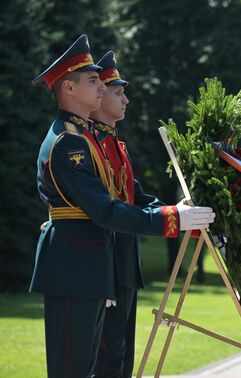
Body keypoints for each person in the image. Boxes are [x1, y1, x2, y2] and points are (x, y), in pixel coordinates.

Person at [30, 35, 215, 378]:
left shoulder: (84, 139)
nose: (101, 87)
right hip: (75, 267)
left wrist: (175, 213)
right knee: (73, 369)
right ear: (68, 89)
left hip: (90, 265)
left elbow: (123, 200)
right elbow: (106, 211)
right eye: (92, 81)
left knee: (97, 366)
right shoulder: (68, 143)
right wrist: (173, 218)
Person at [89, 50, 160, 377]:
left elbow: (137, 196)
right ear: (99, 96)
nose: (126, 99)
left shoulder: (114, 144)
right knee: (107, 359)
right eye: (118, 92)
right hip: (107, 266)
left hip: (124, 265)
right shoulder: (91, 146)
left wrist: (180, 212)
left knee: (120, 360)